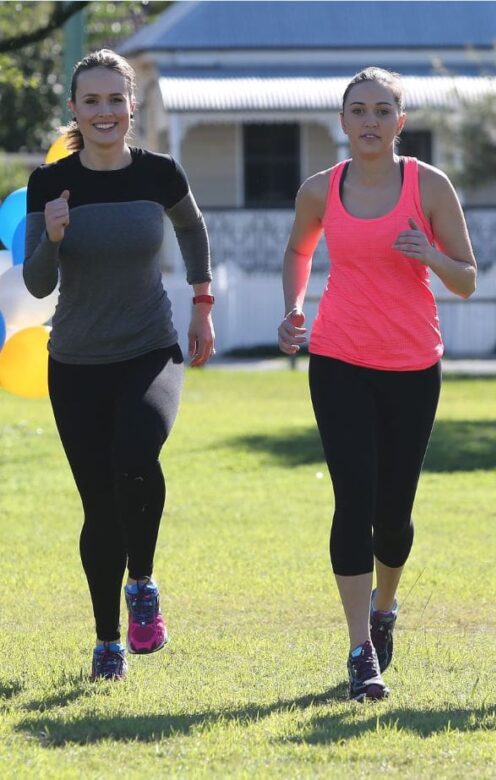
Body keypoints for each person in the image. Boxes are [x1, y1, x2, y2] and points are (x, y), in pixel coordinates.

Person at [278, 67, 476, 701]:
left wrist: (430, 255)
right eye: (358, 110)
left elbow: (466, 278)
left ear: (400, 121)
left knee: (393, 516)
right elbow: (298, 251)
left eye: (382, 110)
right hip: (338, 359)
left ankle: (384, 606)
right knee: (353, 501)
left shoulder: (429, 185)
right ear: (342, 121)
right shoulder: (320, 189)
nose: (370, 121)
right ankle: (360, 648)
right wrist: (294, 307)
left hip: (413, 365)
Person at [24, 49, 214, 682]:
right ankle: (108, 641)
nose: (104, 112)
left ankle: (143, 582)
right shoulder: (49, 183)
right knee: (100, 508)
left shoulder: (159, 173)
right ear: (74, 110)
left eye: (115, 99)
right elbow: (37, 283)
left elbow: (192, 229)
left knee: (135, 457)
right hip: (76, 362)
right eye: (92, 101)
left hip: (149, 349)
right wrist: (53, 237)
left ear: (132, 105)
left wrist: (202, 302)